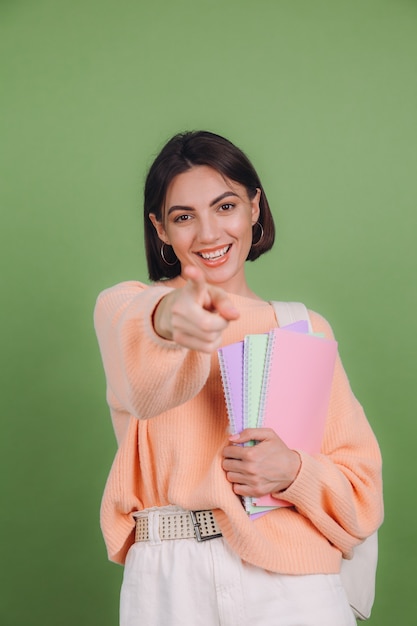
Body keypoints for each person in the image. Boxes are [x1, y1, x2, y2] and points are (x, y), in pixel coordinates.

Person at [94, 130, 383, 626]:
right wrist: (172, 316)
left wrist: (293, 472)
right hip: (170, 577)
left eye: (224, 207)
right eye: (184, 217)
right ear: (160, 229)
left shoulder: (302, 328)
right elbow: (145, 375)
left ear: (254, 207)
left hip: (293, 584)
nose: (207, 234)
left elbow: (362, 495)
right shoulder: (127, 309)